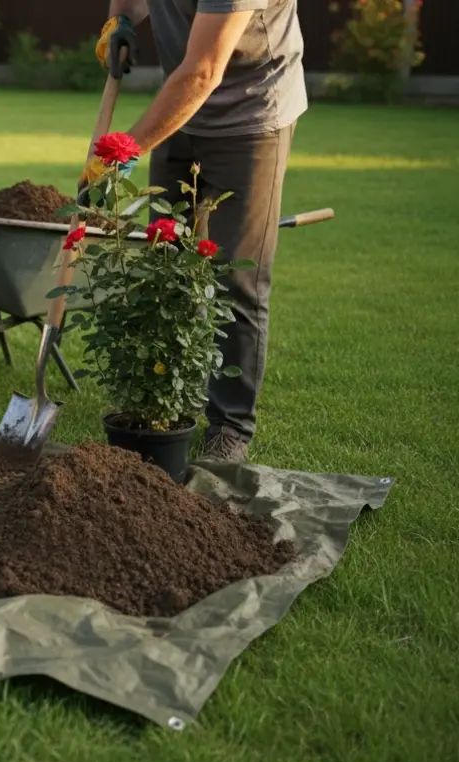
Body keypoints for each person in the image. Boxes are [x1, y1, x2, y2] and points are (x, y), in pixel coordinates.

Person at [79, 0, 307, 462]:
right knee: (166, 259)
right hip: (181, 106)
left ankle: (230, 426)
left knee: (235, 276)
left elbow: (204, 71)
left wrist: (119, 153)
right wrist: (119, 19)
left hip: (250, 116)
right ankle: (165, 400)